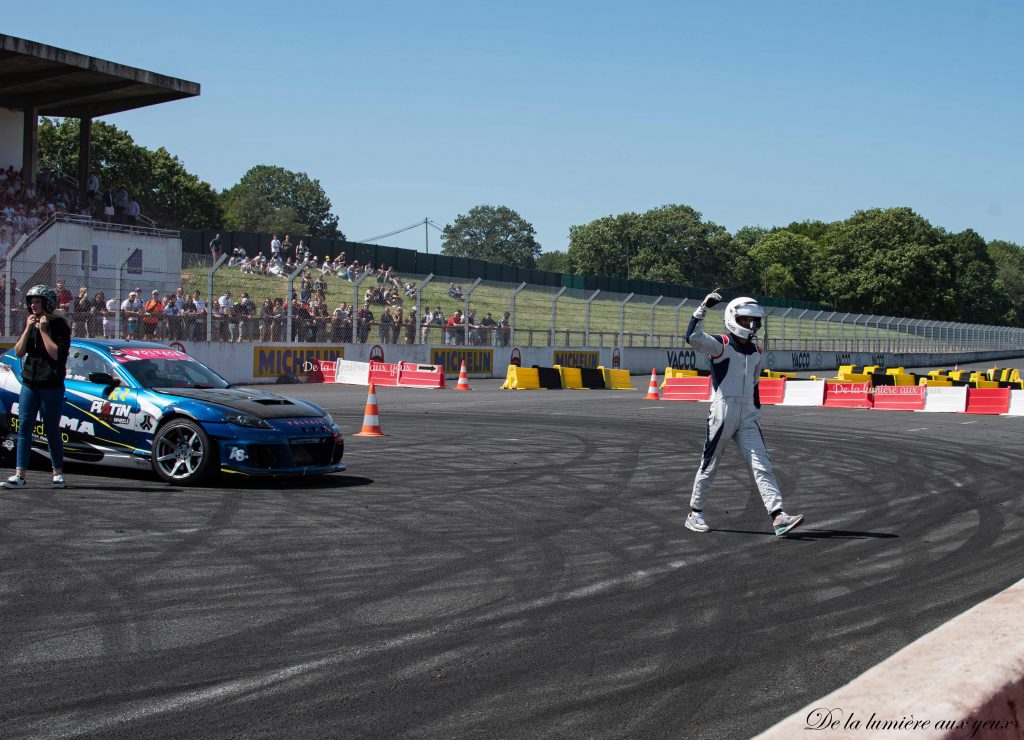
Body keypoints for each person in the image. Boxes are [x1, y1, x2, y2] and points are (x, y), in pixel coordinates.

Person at [684, 291, 802, 537]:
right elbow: (692, 337)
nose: (752, 325)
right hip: (723, 410)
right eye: (747, 320)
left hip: (748, 415)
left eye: (754, 321)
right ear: (733, 319)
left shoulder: (757, 352)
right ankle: (695, 513)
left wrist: (755, 410)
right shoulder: (720, 344)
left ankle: (778, 515)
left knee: (762, 465)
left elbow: (755, 383)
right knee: (710, 464)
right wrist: (703, 307)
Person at [2, 285, 72, 489]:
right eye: (31, 302)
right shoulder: (30, 323)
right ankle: (19, 475)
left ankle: (57, 473)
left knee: (51, 428)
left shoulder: (59, 325)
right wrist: (28, 328)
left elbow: (55, 354)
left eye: (37, 301)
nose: (33, 305)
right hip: (30, 384)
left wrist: (42, 331)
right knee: (24, 428)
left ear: (47, 303)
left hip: (51, 384)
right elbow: (18, 352)